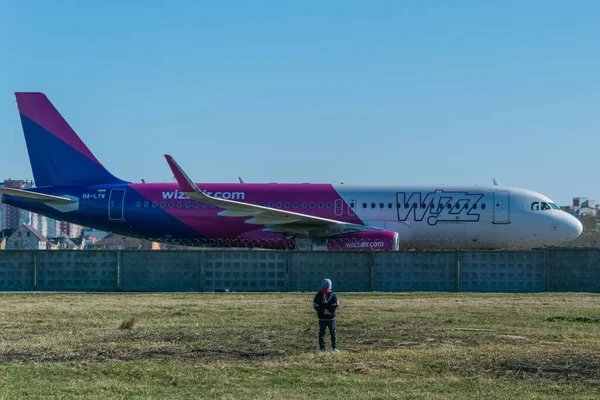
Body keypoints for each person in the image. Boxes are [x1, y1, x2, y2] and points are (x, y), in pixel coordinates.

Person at [313, 278, 340, 352]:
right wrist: (329, 311)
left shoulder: (318, 295)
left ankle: (322, 348)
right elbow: (336, 304)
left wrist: (322, 311)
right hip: (331, 318)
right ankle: (334, 347)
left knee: (322, 333)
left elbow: (315, 305)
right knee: (333, 332)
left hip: (322, 318)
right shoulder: (333, 295)